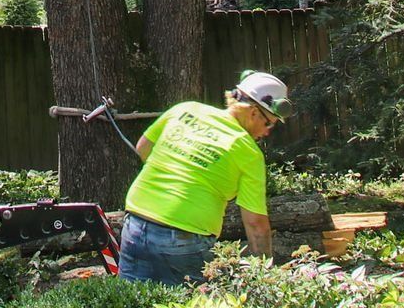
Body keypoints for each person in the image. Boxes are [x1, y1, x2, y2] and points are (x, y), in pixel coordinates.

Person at [117, 70, 286, 285]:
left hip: (135, 224)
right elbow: (255, 225)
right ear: (253, 112)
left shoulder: (185, 109)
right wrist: (264, 276)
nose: (268, 131)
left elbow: (142, 149)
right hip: (185, 240)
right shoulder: (248, 152)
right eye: (269, 123)